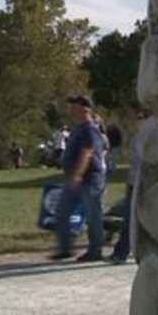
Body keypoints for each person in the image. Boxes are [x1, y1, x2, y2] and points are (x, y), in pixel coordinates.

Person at [52, 95, 107, 261]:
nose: (72, 110)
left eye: (75, 106)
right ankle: (65, 248)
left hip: (89, 178)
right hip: (74, 178)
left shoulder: (89, 129)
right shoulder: (78, 129)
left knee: (93, 215)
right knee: (62, 212)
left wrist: (77, 174)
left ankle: (95, 251)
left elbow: (87, 154)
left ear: (86, 109)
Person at [110, 107, 147, 264]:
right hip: (134, 182)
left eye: (142, 117)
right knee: (130, 218)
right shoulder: (137, 138)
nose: (139, 121)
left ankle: (140, 251)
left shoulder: (153, 138)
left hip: (147, 183)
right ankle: (121, 252)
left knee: (145, 219)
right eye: (138, 117)